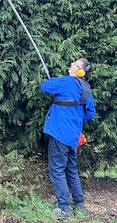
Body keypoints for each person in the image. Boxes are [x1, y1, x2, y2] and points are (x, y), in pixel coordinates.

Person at [41, 58, 96, 219]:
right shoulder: (86, 89)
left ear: (80, 71)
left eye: (75, 64)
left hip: (59, 133)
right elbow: (90, 113)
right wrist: (76, 120)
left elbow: (44, 86)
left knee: (57, 170)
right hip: (73, 137)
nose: (71, 64)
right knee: (71, 170)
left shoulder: (66, 82)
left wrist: (52, 80)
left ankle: (64, 208)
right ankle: (80, 206)